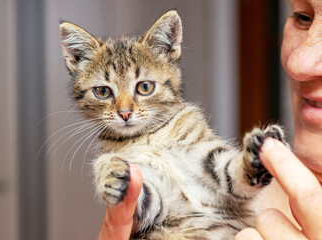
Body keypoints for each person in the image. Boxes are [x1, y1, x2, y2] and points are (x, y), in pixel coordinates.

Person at [98, 0, 322, 239]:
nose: (298, 64)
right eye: (302, 17)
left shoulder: (185, 122)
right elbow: (147, 208)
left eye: (143, 87)